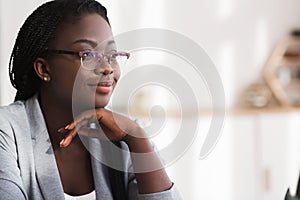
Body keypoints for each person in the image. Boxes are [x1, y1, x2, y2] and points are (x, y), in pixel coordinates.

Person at [0, 0, 181, 199]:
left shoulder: (125, 133)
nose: (108, 67)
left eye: (112, 55)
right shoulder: (7, 131)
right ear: (44, 68)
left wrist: (137, 139)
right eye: (88, 55)